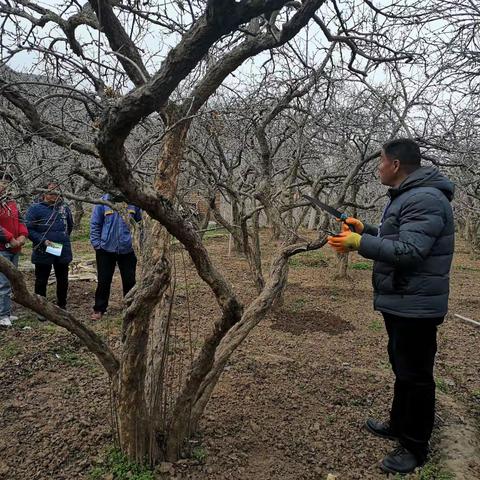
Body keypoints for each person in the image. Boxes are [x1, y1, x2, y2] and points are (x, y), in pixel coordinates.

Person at [327, 138, 454, 475]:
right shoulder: (410, 196)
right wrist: (366, 230)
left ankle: (415, 447)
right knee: (403, 369)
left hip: (416, 303)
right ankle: (399, 424)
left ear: (395, 165)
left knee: (416, 376)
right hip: (404, 299)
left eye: (381, 161)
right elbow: (397, 237)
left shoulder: (425, 198)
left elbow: (411, 251)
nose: (378, 168)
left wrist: (359, 243)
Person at [90, 194, 141, 321]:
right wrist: (97, 244)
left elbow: (141, 224)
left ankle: (130, 306)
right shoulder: (103, 201)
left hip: (128, 250)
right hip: (106, 249)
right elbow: (95, 224)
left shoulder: (133, 201)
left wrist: (138, 242)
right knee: (104, 280)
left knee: (129, 279)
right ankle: (99, 309)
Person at [26, 183, 73, 317]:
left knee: (63, 279)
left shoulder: (64, 207)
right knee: (41, 279)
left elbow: (69, 226)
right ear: (44, 194)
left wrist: (61, 238)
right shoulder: (35, 209)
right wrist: (43, 241)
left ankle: (62, 305)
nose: (54, 195)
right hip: (43, 249)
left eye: (57, 192)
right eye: (51, 192)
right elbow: (28, 229)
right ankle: (41, 308)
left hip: (62, 248)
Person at [0, 174, 28, 327]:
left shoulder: (11, 201)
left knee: (11, 280)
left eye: (8, 183)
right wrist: (10, 237)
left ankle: (7, 311)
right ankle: (2, 315)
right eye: (2, 183)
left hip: (15, 248)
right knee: (2, 282)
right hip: (2, 248)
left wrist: (23, 235)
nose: (5, 186)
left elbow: (20, 219)